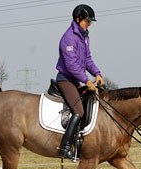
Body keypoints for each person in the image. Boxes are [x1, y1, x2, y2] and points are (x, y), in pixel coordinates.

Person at [56, 4, 105, 160]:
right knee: (79, 111)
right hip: (66, 79)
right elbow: (71, 65)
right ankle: (64, 148)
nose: (89, 24)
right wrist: (86, 80)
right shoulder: (68, 38)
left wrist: (97, 73)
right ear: (78, 19)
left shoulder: (84, 36)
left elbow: (87, 59)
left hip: (75, 80)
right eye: (87, 21)